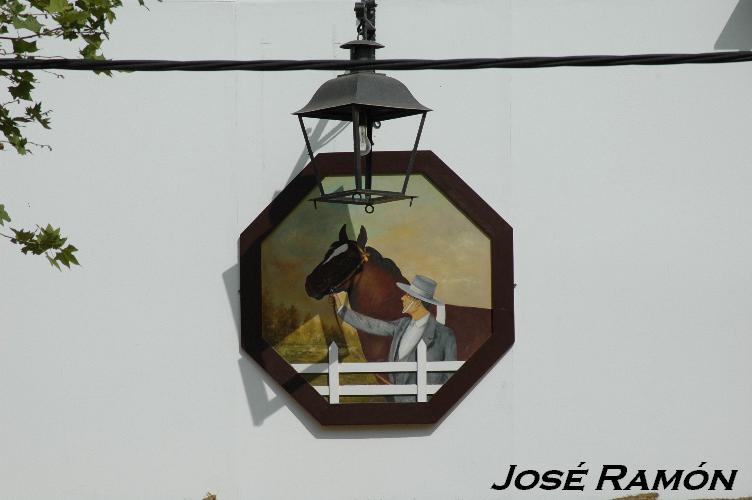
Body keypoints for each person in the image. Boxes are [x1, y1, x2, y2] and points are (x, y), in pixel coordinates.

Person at [333, 275, 457, 402]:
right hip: (398, 403)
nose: (402, 298)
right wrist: (342, 311)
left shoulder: (445, 335)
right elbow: (372, 325)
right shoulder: (401, 325)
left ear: (417, 302)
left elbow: (449, 378)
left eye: (407, 296)